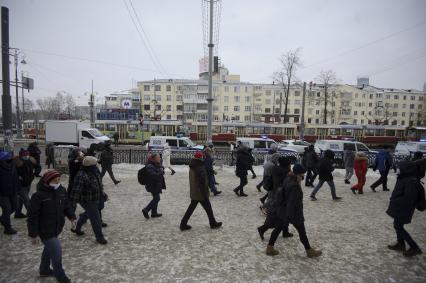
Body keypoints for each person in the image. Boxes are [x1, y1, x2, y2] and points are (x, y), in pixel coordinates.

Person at [27, 169, 76, 283]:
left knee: (49, 249)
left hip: (56, 227)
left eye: (58, 180)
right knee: (56, 251)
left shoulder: (61, 190)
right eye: (54, 180)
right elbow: (32, 216)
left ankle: (44, 269)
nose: (57, 182)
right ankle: (60, 276)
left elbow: (66, 206)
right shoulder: (38, 196)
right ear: (47, 181)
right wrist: (33, 234)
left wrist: (72, 217)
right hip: (44, 230)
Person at [265, 164, 322, 258]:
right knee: (302, 232)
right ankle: (309, 251)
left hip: (283, 210)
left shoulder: (288, 179)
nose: (304, 176)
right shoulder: (294, 186)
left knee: (278, 228)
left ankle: (270, 248)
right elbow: (292, 202)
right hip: (293, 213)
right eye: (302, 174)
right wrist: (289, 216)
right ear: (298, 174)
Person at [386, 161, 423, 257]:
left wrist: (395, 200)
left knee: (398, 226)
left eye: (399, 168)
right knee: (397, 225)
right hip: (399, 207)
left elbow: (409, 198)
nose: (397, 170)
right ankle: (401, 244)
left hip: (404, 208)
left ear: (405, 169)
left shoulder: (411, 181)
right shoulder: (404, 178)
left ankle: (414, 247)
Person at [180, 151, 222, 231]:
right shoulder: (199, 166)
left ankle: (183, 223)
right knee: (208, 208)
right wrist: (204, 192)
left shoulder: (193, 164)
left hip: (195, 191)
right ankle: (212, 223)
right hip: (200, 192)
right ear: (200, 157)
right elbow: (202, 180)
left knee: (192, 207)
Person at [70, 156, 108, 244]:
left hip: (95, 198)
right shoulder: (81, 175)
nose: (97, 166)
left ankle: (77, 228)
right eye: (95, 165)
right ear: (90, 166)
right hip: (87, 200)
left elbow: (98, 185)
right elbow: (75, 191)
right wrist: (72, 206)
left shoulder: (94, 172)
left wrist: (103, 194)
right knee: (96, 219)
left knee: (88, 213)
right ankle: (99, 237)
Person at [258, 155, 293, 239]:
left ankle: (285, 231)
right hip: (282, 195)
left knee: (283, 214)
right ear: (286, 164)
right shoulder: (286, 172)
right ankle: (263, 228)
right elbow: (288, 183)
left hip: (275, 192)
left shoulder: (275, 168)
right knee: (277, 215)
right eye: (289, 164)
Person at [142, 153, 166, 219]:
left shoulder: (155, 164)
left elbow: (159, 171)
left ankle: (154, 213)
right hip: (152, 185)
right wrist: (161, 171)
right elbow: (154, 175)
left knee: (156, 198)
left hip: (156, 184)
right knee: (157, 198)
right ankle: (146, 210)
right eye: (158, 157)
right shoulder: (150, 166)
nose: (160, 158)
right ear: (154, 158)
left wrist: (161, 169)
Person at [14, 149, 37, 218]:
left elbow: (34, 168)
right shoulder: (17, 163)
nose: (26, 156)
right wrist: (19, 179)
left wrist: (32, 176)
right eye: (24, 155)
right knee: (27, 200)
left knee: (21, 199)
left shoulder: (29, 161)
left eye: (27, 155)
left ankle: (18, 213)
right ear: (21, 155)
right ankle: (32, 215)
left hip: (28, 183)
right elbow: (14, 174)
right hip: (21, 185)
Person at [0, 151, 19, 234]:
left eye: (10, 158)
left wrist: (18, 188)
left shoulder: (13, 165)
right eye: (7, 159)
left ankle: (3, 218)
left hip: (13, 191)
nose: (9, 160)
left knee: (15, 206)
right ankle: (7, 228)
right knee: (7, 209)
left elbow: (15, 177)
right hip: (2, 193)